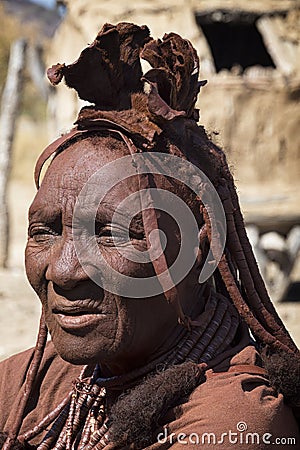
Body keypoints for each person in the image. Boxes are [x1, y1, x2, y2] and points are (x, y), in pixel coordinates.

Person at [0, 22, 299, 449]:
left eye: (112, 234)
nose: (63, 271)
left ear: (198, 252)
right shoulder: (47, 381)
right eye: (44, 232)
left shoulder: (238, 423)